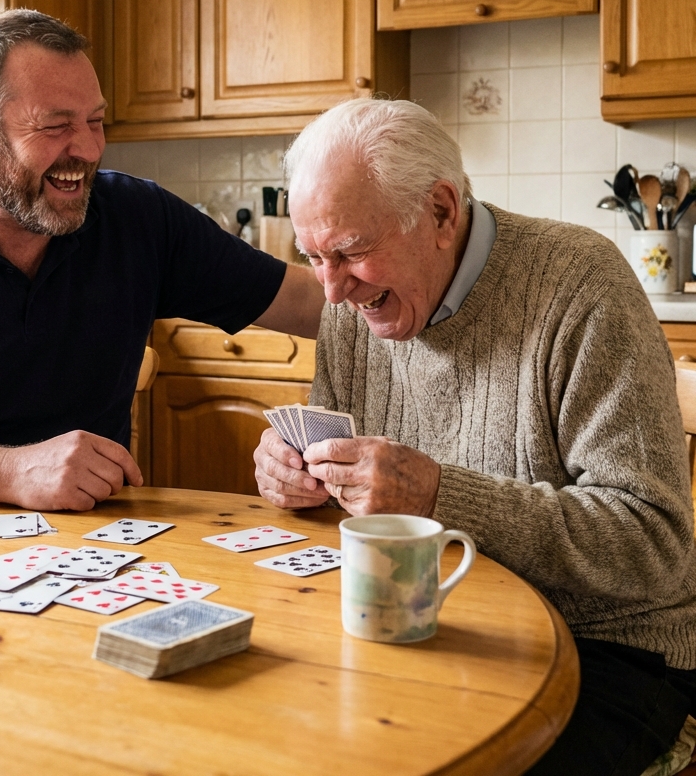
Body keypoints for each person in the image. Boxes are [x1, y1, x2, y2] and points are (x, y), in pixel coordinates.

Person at [253, 97, 696, 775]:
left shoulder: (582, 286)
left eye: (349, 252)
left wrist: (438, 494)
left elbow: (652, 542)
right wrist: (298, 478)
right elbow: (351, 502)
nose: (333, 291)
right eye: (313, 256)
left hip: (610, 649)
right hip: (434, 625)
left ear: (439, 211)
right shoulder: (352, 310)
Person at [0, 9, 323, 512]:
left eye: (95, 120)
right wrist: (11, 471)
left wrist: (399, 290)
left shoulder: (139, 218)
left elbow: (309, 302)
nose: (89, 149)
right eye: (56, 126)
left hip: (96, 549)